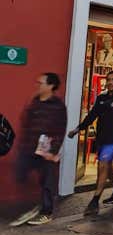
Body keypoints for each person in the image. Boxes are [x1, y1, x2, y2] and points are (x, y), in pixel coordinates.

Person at [68, 69, 113, 215]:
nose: (110, 82)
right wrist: (78, 129)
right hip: (102, 138)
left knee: (102, 166)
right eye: (108, 80)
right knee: (107, 167)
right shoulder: (101, 98)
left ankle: (94, 201)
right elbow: (92, 116)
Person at [10, 73, 67, 226]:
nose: (38, 85)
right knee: (20, 172)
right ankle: (32, 206)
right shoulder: (34, 102)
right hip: (29, 147)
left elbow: (60, 130)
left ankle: (46, 212)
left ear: (50, 86)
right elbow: (26, 122)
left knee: (47, 180)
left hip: (46, 149)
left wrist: (53, 151)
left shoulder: (58, 106)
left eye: (41, 83)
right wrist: (22, 144)